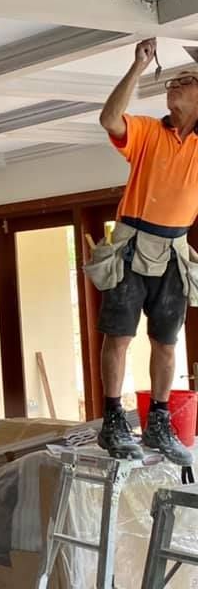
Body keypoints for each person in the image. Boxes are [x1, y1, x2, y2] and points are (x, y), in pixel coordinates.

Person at [91, 38, 198, 465]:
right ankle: (113, 419)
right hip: (132, 244)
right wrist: (138, 66)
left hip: (173, 249)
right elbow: (109, 117)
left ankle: (158, 419)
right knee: (119, 335)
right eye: (172, 80)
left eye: (186, 81)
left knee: (167, 343)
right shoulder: (150, 132)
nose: (174, 84)